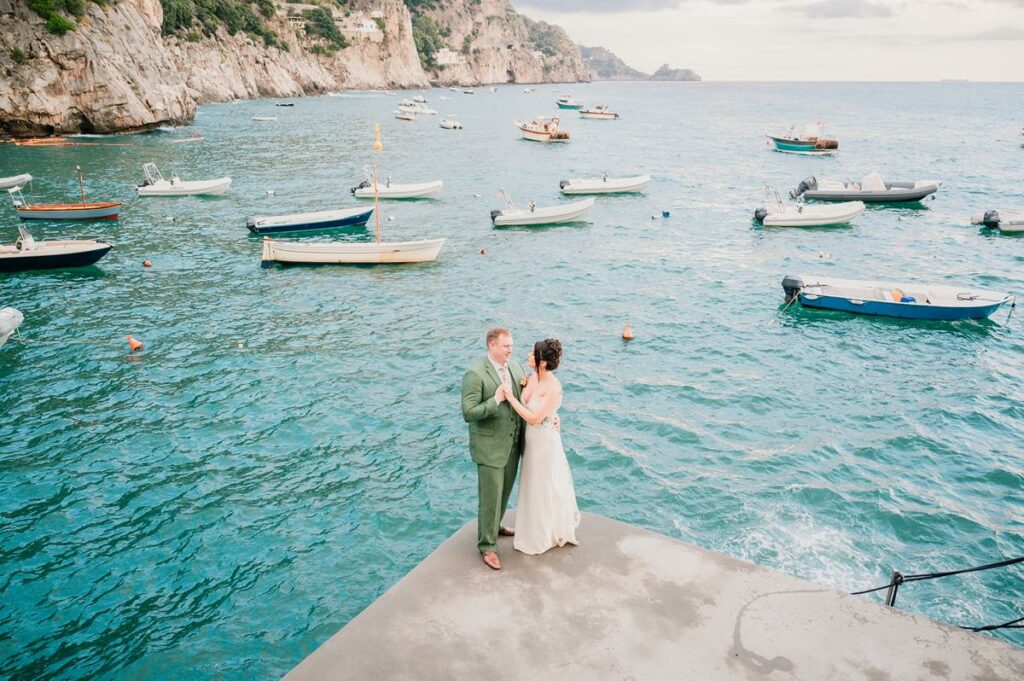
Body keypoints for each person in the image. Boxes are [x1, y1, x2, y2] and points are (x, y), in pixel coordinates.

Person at [499, 339, 580, 555]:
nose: (528, 354)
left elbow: (534, 417)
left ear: (542, 362)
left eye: (532, 353)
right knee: (529, 484)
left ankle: (541, 535)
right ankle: (529, 529)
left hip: (544, 443)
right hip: (530, 441)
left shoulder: (554, 387)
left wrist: (510, 398)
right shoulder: (532, 377)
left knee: (541, 487)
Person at [461, 328, 527, 570]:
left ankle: (496, 525)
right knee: (489, 496)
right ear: (491, 345)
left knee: (504, 490)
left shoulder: (516, 368)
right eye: (505, 346)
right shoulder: (475, 374)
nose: (510, 349)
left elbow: (525, 399)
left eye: (511, 345)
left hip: (512, 443)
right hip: (489, 447)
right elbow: (468, 413)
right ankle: (487, 546)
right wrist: (495, 400)